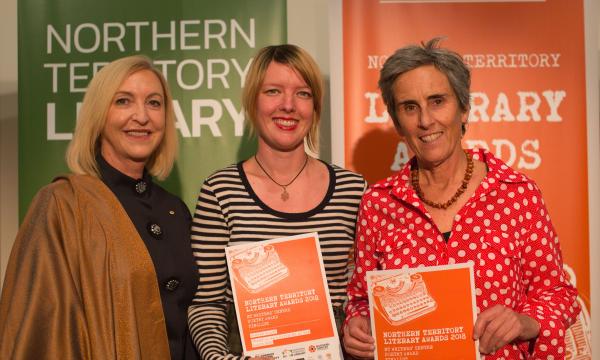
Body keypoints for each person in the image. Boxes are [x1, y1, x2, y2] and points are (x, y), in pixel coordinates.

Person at [342, 38, 580, 359]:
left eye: (437, 101)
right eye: (410, 107)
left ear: (463, 107)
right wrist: (357, 324)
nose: (426, 120)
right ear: (398, 121)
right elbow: (360, 297)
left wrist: (524, 322)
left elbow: (557, 294)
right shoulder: (378, 203)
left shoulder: (516, 193)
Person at [0, 55, 199, 359]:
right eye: (123, 101)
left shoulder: (176, 211)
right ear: (98, 114)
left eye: (154, 103)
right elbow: (39, 332)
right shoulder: (61, 206)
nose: (142, 116)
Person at [187, 44, 367, 359]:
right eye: (273, 91)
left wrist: (360, 328)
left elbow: (361, 296)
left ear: (315, 107)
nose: (288, 105)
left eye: (303, 94)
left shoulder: (353, 191)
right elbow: (207, 303)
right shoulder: (220, 191)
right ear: (252, 101)